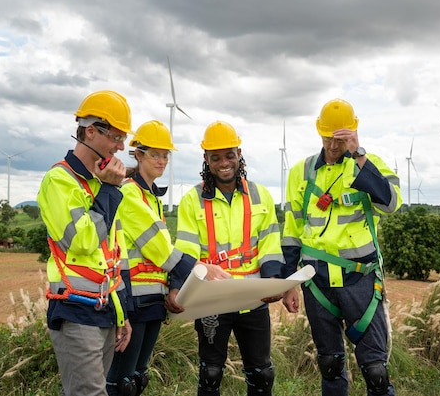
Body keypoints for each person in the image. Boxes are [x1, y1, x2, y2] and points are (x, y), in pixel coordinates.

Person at [281, 99, 402, 396]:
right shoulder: (302, 172)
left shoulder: (368, 165)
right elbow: (292, 230)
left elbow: (390, 204)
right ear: (319, 133)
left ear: (352, 134)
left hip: (359, 279)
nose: (333, 146)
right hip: (317, 280)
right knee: (330, 364)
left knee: (375, 370)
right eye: (327, 138)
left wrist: (358, 154)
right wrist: (288, 282)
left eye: (339, 140)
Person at [107, 120, 230, 396]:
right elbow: (159, 248)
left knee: (137, 379)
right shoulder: (129, 193)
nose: (162, 161)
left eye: (165, 155)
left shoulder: (152, 197)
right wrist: (200, 268)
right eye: (155, 154)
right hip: (134, 299)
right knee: (122, 383)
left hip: (153, 299)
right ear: (138, 154)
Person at [174, 121, 285, 396]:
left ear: (239, 153)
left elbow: (270, 242)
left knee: (262, 374)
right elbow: (186, 252)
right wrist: (180, 285)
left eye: (229, 155)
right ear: (206, 160)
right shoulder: (192, 200)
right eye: (216, 157)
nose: (224, 163)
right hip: (213, 300)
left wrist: (273, 282)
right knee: (210, 375)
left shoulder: (260, 195)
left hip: (253, 299)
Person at [37, 90, 134, 396]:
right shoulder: (59, 180)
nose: (120, 147)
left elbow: (110, 258)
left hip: (105, 310)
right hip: (76, 310)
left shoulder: (100, 183)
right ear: (90, 131)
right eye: (116, 137)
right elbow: (80, 241)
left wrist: (123, 313)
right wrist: (109, 190)